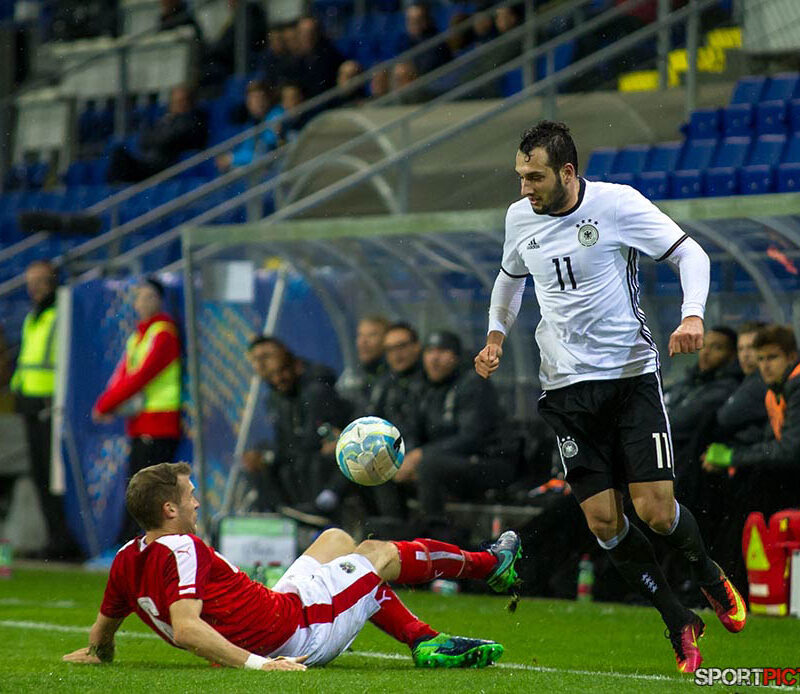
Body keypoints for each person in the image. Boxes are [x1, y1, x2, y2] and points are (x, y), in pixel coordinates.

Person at [474, 121, 746, 674]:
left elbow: (691, 254)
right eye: (520, 176)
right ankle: (677, 619)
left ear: (567, 172)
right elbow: (509, 278)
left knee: (657, 513)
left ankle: (708, 573)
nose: (525, 188)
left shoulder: (617, 204)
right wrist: (496, 336)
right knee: (603, 523)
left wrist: (693, 314)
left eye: (535, 177)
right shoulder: (519, 217)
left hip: (629, 380)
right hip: (564, 390)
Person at [62, 462, 521, 670]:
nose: (197, 503)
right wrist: (259, 666)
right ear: (169, 509)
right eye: (190, 496)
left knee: (337, 541)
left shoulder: (127, 557)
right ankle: (490, 565)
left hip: (282, 606)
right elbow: (186, 628)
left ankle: (423, 640)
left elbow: (105, 628)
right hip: (300, 632)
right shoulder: (182, 548)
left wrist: (98, 651)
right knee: (379, 556)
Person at [394, 330, 515, 533]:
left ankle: (435, 534)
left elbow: (472, 437)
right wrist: (407, 456)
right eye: (430, 351)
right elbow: (412, 430)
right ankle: (393, 530)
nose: (434, 358)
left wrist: (421, 455)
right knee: (386, 466)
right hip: (444, 460)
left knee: (428, 465)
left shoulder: (473, 383)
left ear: (456, 356)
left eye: (442, 351)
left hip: (487, 461)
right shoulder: (421, 386)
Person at [93, 278, 182, 544]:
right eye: (139, 297)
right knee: (139, 488)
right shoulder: (138, 336)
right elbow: (123, 375)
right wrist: (108, 402)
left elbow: (142, 376)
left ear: (160, 300)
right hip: (140, 423)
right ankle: (133, 544)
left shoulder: (164, 333)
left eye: (148, 297)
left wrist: (106, 405)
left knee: (149, 492)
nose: (142, 303)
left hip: (160, 423)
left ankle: (141, 545)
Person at [10, 260, 77, 559]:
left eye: (39, 281)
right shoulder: (33, 317)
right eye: (30, 282)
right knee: (40, 475)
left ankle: (64, 540)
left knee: (54, 477)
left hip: (52, 405)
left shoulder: (58, 315)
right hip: (30, 402)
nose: (33, 288)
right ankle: (54, 538)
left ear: (52, 281)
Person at [241, 337, 351, 514]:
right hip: (297, 457)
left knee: (311, 462)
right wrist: (266, 455)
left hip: (325, 460)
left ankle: (314, 513)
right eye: (256, 359)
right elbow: (285, 440)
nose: (262, 364)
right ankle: (278, 513)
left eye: (266, 356)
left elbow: (312, 439)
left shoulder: (316, 389)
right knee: (259, 463)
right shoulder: (276, 398)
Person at [703, 324, 800, 518]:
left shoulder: (796, 388)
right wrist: (735, 456)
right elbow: (769, 443)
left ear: (791, 357)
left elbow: (790, 450)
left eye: (772, 357)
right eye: (761, 359)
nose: (765, 366)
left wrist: (733, 457)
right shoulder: (774, 392)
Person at [665, 326, 740, 510]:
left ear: (732, 355)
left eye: (717, 347)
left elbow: (677, 423)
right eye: (704, 345)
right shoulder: (689, 380)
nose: (706, 352)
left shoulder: (727, 388)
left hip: (693, 479)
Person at [107, 84, 208, 183]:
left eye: (182, 101)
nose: (178, 105)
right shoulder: (165, 120)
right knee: (119, 152)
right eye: (175, 101)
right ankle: (114, 188)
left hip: (162, 166)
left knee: (121, 156)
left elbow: (168, 139)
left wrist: (156, 137)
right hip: (147, 162)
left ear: (190, 102)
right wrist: (157, 137)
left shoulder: (190, 121)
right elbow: (143, 141)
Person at [215, 79, 284, 173]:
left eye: (261, 98)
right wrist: (231, 158)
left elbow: (264, 151)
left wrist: (232, 158)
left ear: (269, 99)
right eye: (252, 99)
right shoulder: (252, 123)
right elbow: (247, 148)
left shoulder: (277, 114)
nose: (258, 103)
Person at [336, 316, 389, 414]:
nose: (364, 341)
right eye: (360, 335)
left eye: (372, 335)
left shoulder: (393, 379)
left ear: (387, 340)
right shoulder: (351, 376)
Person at [294, 15, 343, 99]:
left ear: (318, 34)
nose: (307, 37)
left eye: (311, 32)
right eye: (303, 33)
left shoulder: (331, 57)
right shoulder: (295, 61)